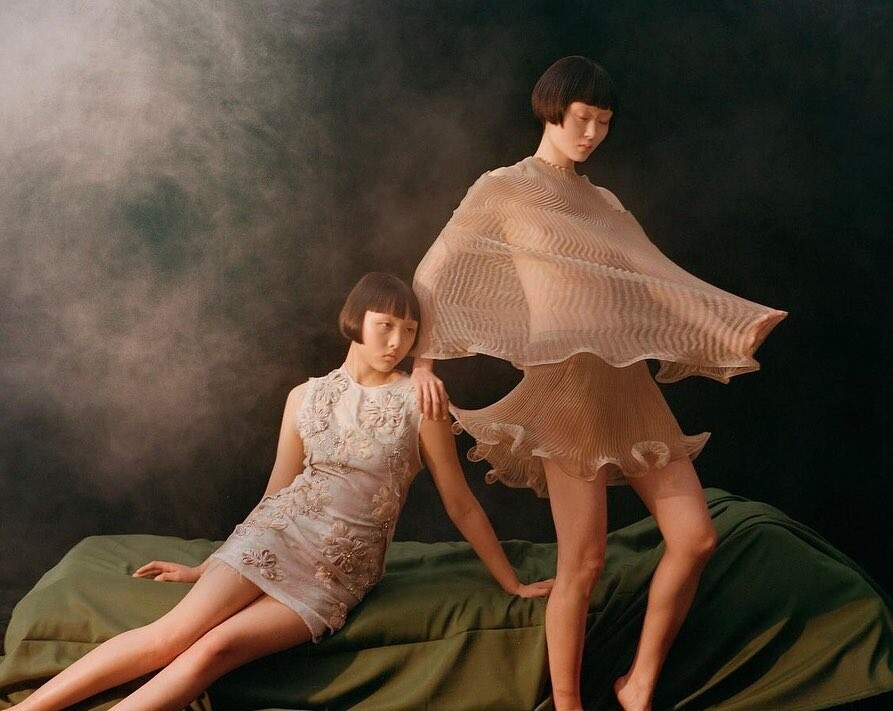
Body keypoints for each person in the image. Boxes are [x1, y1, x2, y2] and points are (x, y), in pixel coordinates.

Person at [410, 57, 787, 711]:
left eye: (603, 123)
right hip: (566, 388)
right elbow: (434, 270)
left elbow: (656, 280)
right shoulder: (503, 188)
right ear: (550, 110)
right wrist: (422, 360)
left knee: (695, 537)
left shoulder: (604, 202)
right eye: (582, 118)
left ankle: (637, 684)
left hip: (627, 387)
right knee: (582, 563)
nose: (591, 134)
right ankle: (568, 703)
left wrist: (731, 324)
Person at [13, 272, 552, 711]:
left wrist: (510, 581)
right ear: (355, 322)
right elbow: (277, 490)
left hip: (338, 568)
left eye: (409, 331)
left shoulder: (421, 400)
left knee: (215, 649)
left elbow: (459, 501)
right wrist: (205, 566)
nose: (397, 342)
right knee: (169, 636)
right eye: (385, 325)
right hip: (273, 536)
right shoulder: (304, 396)